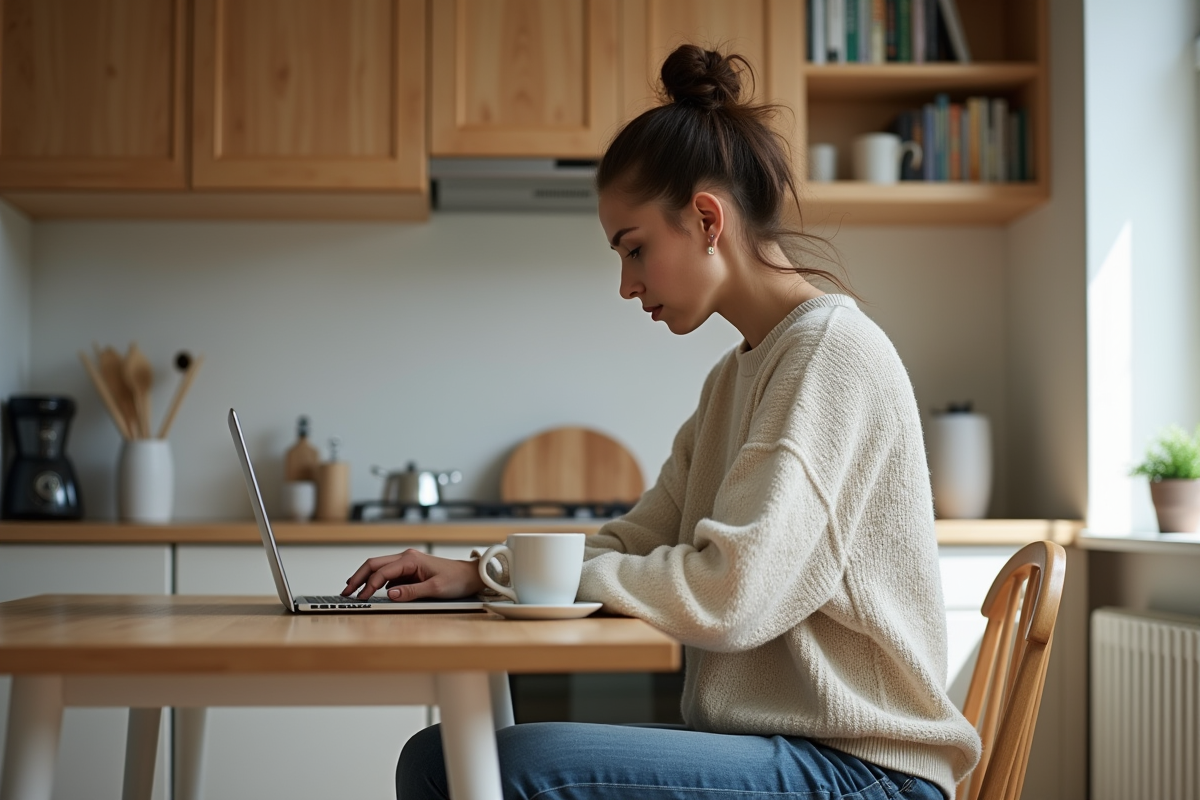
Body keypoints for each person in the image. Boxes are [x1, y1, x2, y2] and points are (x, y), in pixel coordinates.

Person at [343, 44, 981, 800]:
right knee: (442, 757)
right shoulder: (734, 378)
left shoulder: (828, 355)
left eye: (635, 248)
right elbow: (641, 539)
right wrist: (482, 572)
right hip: (786, 748)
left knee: (481, 768)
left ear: (707, 218)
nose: (626, 284)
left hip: (863, 770)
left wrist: (519, 578)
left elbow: (730, 592)